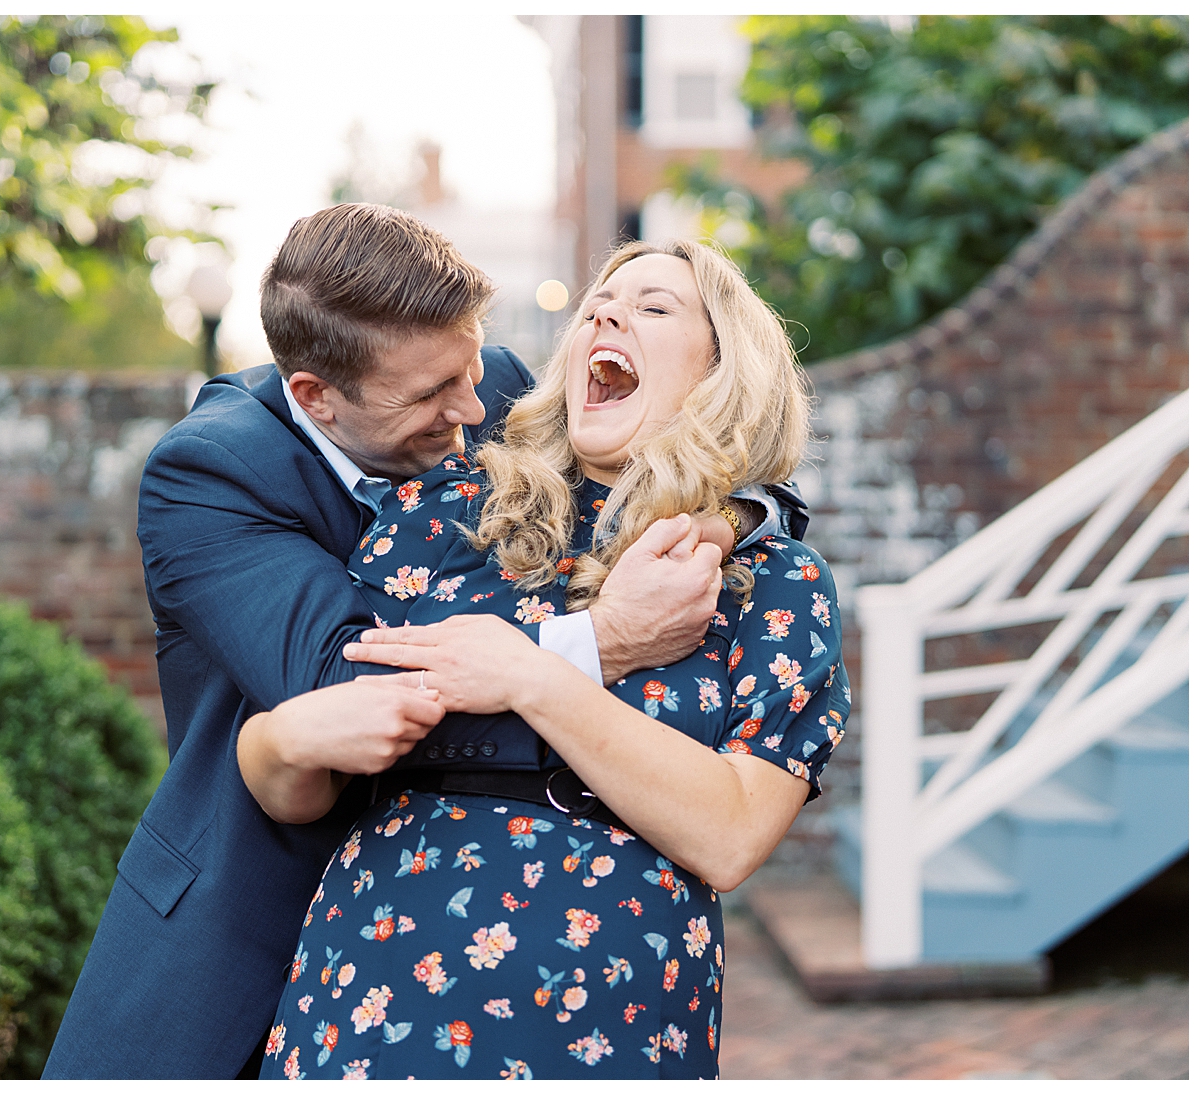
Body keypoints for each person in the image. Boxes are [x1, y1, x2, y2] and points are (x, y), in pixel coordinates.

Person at [42, 205, 807, 1079]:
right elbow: (346, 682)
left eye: (473, 368)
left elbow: (709, 444)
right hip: (261, 920)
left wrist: (729, 519)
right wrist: (604, 639)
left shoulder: (493, 400)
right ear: (314, 397)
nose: (475, 411)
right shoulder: (210, 475)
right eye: (431, 396)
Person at [241, 240, 849, 1080]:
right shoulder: (445, 515)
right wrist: (277, 744)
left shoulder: (771, 580)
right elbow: (315, 756)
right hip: (380, 990)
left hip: (615, 1012)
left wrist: (533, 675)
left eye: (654, 306)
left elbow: (733, 834)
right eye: (601, 299)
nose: (605, 310)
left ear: (723, 372)